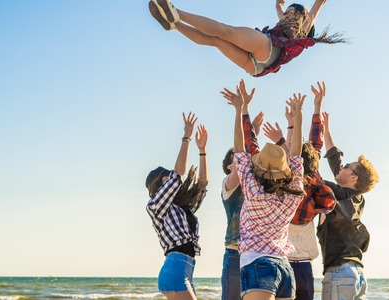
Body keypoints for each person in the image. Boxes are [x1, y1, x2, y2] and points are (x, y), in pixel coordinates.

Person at [224, 84, 305, 300]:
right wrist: (298, 119)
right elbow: (296, 154)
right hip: (284, 268)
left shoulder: (253, 190)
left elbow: (240, 149)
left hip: (257, 263)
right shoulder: (293, 192)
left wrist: (239, 110)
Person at [263, 82, 336, 300]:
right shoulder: (314, 183)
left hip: (282, 260)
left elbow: (297, 152)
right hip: (302, 264)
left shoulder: (284, 183)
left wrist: (287, 131)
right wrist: (314, 110)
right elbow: (312, 146)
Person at [148, 0, 346, 77]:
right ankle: (174, 25)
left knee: (224, 31)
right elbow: (278, 8)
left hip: (268, 48)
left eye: (290, 11)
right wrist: (279, 4)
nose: (285, 13)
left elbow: (318, 4)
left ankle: (177, 12)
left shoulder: (302, 28)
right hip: (257, 67)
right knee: (216, 41)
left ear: (300, 16)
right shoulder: (283, 22)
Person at [145, 112, 208, 300]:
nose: (170, 181)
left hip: (186, 269)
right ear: (157, 184)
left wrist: (202, 151)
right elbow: (177, 175)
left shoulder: (178, 208)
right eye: (165, 178)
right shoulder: (155, 205)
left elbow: (202, 185)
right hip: (175, 268)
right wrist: (186, 137)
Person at [317, 111, 379, 300]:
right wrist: (326, 130)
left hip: (340, 274)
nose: (342, 167)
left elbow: (313, 176)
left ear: (353, 178)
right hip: (358, 275)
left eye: (347, 167)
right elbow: (336, 162)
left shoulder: (335, 193)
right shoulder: (356, 198)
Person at [220, 80, 264, 300]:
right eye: (235, 161)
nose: (241, 161)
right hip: (235, 253)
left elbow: (249, 159)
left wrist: (252, 130)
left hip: (255, 252)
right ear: (229, 167)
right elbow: (242, 157)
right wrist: (242, 113)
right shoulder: (228, 185)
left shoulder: (252, 184)